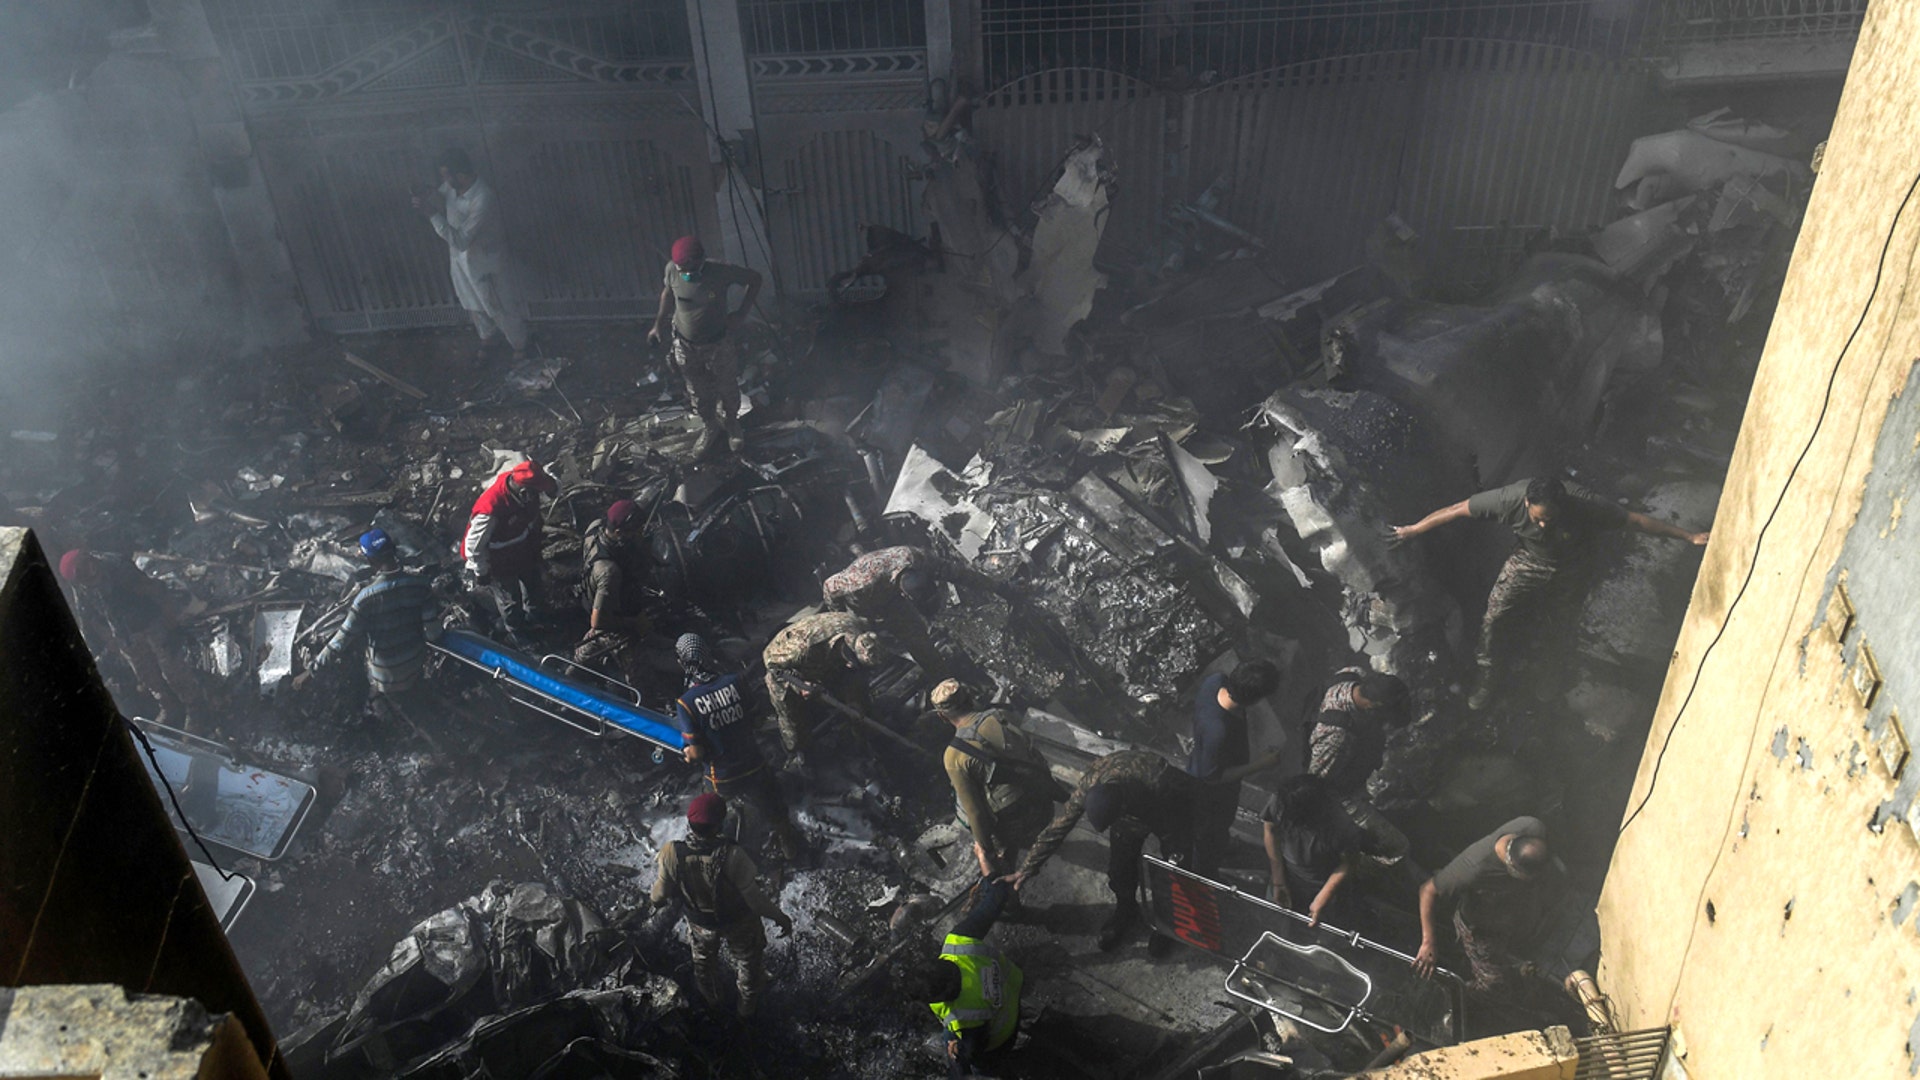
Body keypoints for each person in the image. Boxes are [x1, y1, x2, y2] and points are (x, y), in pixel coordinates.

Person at [1391, 476, 1710, 709]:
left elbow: (1635, 521)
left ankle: (1551, 670)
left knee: (1563, 621)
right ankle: (1488, 674)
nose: (1544, 525)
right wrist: (1414, 530)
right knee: (1495, 616)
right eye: (1538, 519)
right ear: (1527, 503)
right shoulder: (1508, 499)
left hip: (1573, 564)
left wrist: (1688, 536)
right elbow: (1457, 509)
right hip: (1528, 561)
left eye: (1551, 519)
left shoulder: (1587, 505)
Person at [650, 793, 794, 1017]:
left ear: (689, 823)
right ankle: (746, 1008)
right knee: (748, 963)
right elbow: (755, 900)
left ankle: (713, 1000)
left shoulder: (671, 853)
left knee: (704, 964)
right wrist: (779, 917)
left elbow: (658, 896)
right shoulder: (733, 855)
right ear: (719, 824)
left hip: (700, 924)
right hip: (739, 923)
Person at [673, 634, 804, 861]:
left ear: (682, 662)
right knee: (775, 808)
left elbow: (696, 753)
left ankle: (729, 859)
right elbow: (757, 720)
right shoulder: (735, 681)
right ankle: (789, 846)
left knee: (712, 816)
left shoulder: (686, 702)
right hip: (754, 764)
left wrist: (687, 755)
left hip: (721, 777)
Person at [1413, 816, 1564, 993]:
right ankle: (1470, 994)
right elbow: (1427, 891)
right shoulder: (1472, 869)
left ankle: (1518, 954)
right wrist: (1428, 942)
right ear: (1512, 868)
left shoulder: (1533, 827)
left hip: (1510, 907)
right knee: (1493, 981)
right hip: (1481, 922)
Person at [647, 236, 762, 459]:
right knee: (697, 391)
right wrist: (657, 326)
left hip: (717, 343)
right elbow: (667, 294)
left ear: (698, 260)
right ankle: (710, 426)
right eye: (680, 268)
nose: (683, 272)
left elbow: (756, 279)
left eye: (687, 267)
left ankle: (732, 425)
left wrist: (742, 313)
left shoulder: (721, 271)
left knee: (727, 387)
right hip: (685, 344)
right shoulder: (672, 269)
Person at [57, 547, 200, 726]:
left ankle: (194, 710)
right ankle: (169, 708)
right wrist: (102, 643)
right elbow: (88, 617)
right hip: (126, 635)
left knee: (173, 671)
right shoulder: (81, 587)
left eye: (88, 563)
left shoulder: (117, 567)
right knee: (148, 676)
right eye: (83, 571)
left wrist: (171, 622)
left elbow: (154, 590)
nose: (90, 569)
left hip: (151, 623)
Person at [413, 147, 528, 361]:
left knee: (497, 305)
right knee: (472, 302)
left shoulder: (483, 198)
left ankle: (519, 345)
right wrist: (429, 194)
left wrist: (432, 215)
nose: (444, 180)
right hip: (460, 260)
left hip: (484, 260)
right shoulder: (451, 187)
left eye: (446, 175)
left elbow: (462, 240)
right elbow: (442, 199)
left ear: (462, 176)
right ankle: (488, 338)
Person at [935, 679, 1058, 878]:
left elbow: (975, 812)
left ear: (941, 716)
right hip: (1044, 802)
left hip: (1020, 825)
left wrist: (985, 850)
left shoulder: (953, 756)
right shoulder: (1001, 715)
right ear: (969, 698)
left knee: (968, 812)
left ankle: (1007, 878)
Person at [821, 545, 1003, 679]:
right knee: (862, 651)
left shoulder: (917, 558)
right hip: (861, 606)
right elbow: (829, 586)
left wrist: (1001, 588)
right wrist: (840, 619)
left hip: (891, 602)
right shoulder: (859, 583)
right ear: (904, 594)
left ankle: (945, 683)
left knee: (919, 643)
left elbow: (959, 573)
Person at [307, 530, 442, 709]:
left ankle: (376, 699)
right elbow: (433, 634)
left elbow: (341, 640)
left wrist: (313, 668)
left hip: (384, 677)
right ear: (394, 552)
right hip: (414, 666)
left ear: (371, 561)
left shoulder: (365, 599)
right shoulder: (422, 585)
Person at [1303, 666, 1413, 866]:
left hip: (1354, 771)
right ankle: (1351, 868)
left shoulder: (1353, 674)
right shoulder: (1337, 736)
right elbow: (1315, 784)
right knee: (1398, 847)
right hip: (1341, 795)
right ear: (1374, 706)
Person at [915, 877, 1023, 1079]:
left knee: (976, 1065)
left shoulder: (965, 1015)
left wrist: (958, 1053)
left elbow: (973, 1051)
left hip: (1004, 1031)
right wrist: (991, 882)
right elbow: (993, 902)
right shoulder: (958, 941)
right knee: (951, 1036)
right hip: (1013, 985)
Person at [1187, 659, 1282, 878]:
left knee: (1220, 828)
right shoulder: (1218, 730)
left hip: (1208, 765)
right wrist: (1262, 764)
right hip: (1210, 790)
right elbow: (1213, 777)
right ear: (1255, 698)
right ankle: (1203, 876)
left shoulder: (1215, 681)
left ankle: (1220, 845)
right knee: (1206, 835)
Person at [1260, 774, 1391, 929]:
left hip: (1323, 884)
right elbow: (1270, 829)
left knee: (1327, 929)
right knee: (1277, 924)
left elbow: (1348, 863)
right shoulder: (1283, 801)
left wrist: (1323, 897)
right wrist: (1279, 882)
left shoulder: (1340, 826)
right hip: (1288, 875)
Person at [760, 611, 884, 760]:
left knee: (859, 703)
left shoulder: (858, 628)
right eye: (852, 660)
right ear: (846, 647)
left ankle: (865, 744)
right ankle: (799, 756)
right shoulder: (802, 647)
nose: (851, 665)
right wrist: (801, 686)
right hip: (788, 669)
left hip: (827, 662)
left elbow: (857, 673)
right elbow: (773, 666)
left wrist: (855, 701)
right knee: (793, 721)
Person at [461, 459, 557, 640]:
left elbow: (552, 486)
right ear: (523, 492)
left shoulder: (527, 485)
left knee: (534, 584)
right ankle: (518, 633)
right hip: (500, 558)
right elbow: (473, 547)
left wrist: (552, 488)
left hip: (524, 547)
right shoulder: (491, 508)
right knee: (509, 599)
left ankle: (536, 617)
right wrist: (481, 571)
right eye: (537, 492)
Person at [574, 498, 653, 682]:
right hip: (612, 622)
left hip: (592, 596)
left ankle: (572, 672)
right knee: (640, 673)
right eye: (635, 532)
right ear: (619, 532)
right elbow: (598, 622)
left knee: (585, 654)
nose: (640, 535)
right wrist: (634, 623)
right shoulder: (610, 572)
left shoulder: (595, 527)